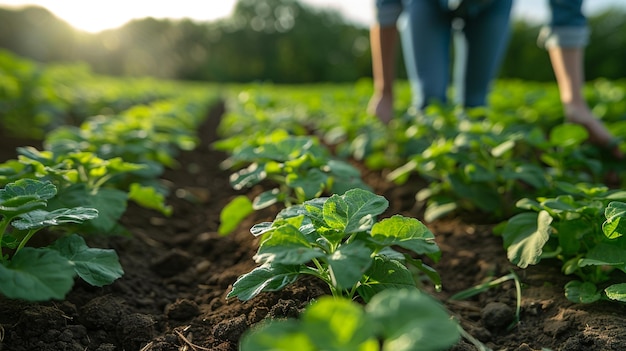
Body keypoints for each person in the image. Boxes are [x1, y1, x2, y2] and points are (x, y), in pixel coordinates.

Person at [369, 0, 623, 158]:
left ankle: (465, 168)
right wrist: (385, 93)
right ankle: (429, 172)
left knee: (475, 106)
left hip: (493, 5)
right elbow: (386, 8)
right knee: (431, 101)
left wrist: (575, 103)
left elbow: (566, 10)